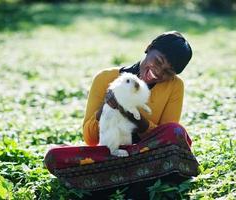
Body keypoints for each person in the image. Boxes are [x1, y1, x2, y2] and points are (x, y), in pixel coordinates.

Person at [44, 31, 199, 199]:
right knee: (54, 156)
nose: (160, 72)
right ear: (148, 48)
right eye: (158, 61)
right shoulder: (105, 78)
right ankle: (142, 180)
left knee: (175, 131)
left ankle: (109, 183)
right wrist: (105, 108)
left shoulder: (175, 85)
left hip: (148, 153)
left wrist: (133, 116)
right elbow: (90, 138)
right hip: (111, 153)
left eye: (168, 72)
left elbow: (165, 137)